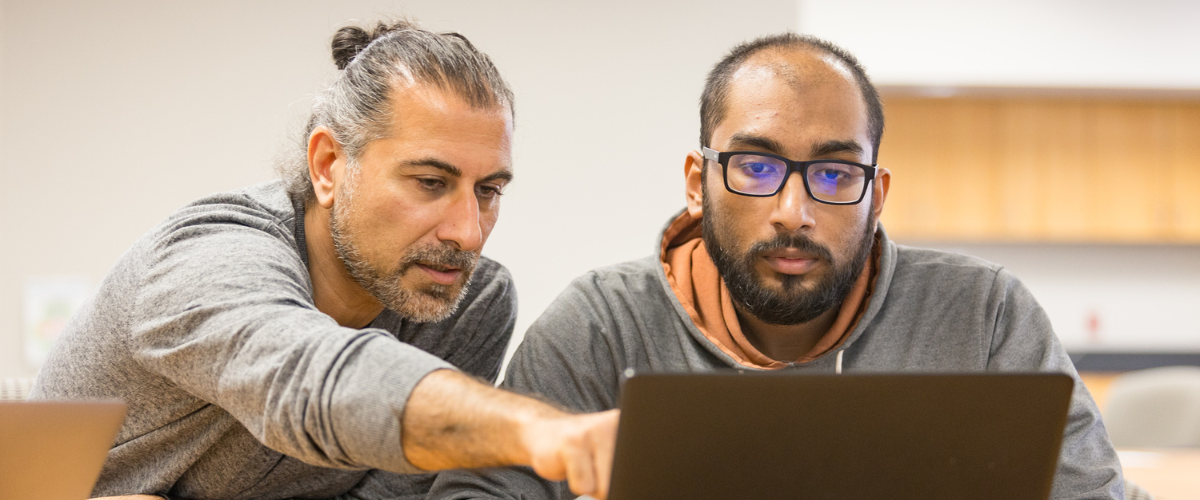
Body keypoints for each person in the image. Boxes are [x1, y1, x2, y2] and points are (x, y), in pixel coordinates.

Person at [428, 33, 1124, 500]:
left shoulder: (985, 316)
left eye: (833, 171)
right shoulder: (602, 325)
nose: (794, 210)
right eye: (757, 167)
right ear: (698, 181)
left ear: (875, 197)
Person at [31, 21, 617, 500]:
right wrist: (537, 429)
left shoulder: (468, 305)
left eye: (488, 191)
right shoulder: (209, 256)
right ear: (329, 165)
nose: (467, 232)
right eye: (431, 182)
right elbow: (309, 377)